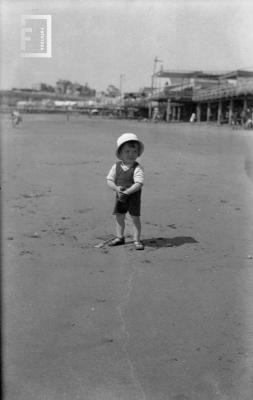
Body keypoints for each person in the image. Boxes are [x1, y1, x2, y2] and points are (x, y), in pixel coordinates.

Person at [106, 133, 145, 250]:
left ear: (138, 153)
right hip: (120, 197)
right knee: (119, 216)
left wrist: (128, 192)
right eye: (127, 151)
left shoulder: (137, 168)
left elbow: (139, 183)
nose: (131, 154)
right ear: (120, 154)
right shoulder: (116, 166)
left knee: (135, 218)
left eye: (134, 151)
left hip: (133, 198)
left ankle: (137, 240)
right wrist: (116, 188)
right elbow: (109, 180)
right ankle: (119, 237)